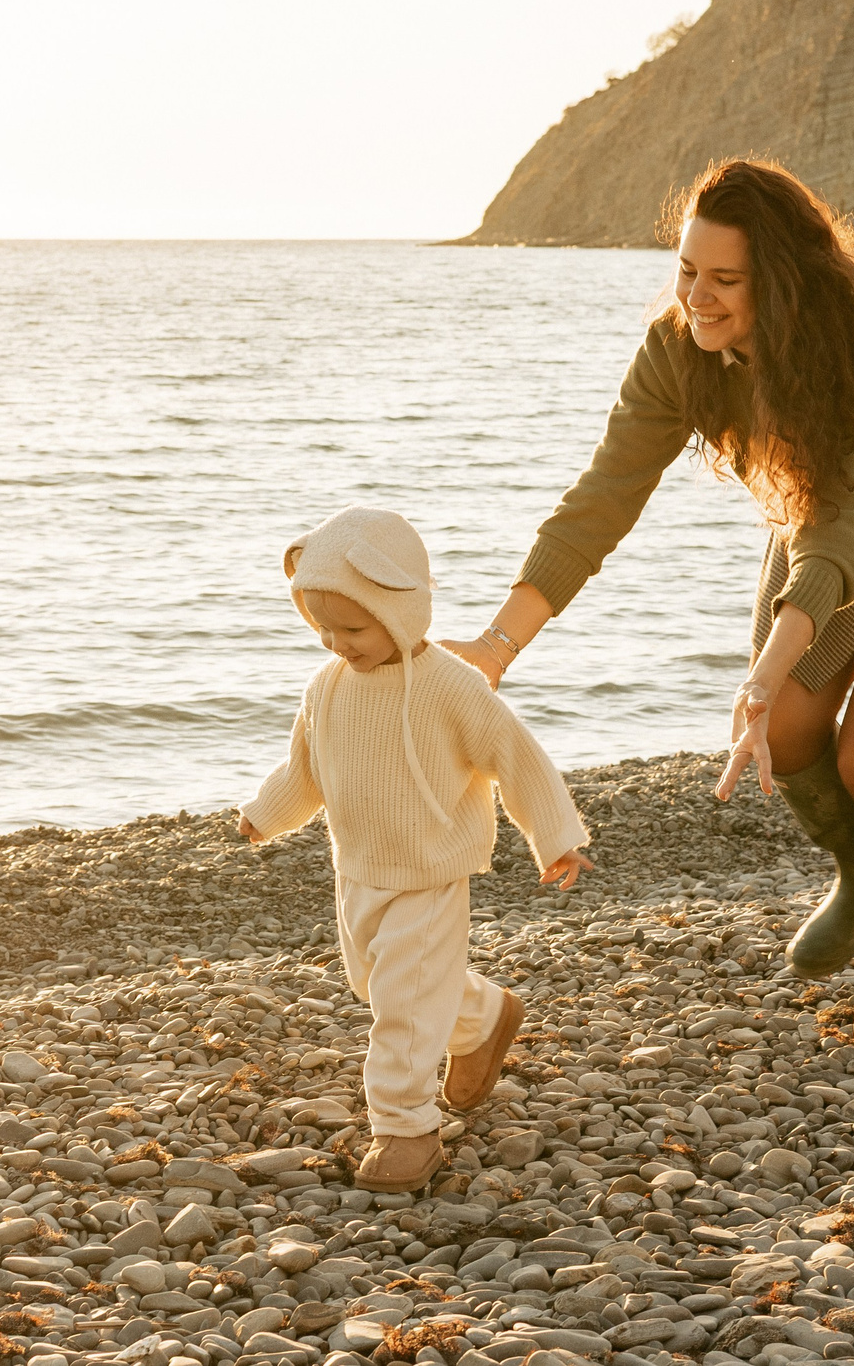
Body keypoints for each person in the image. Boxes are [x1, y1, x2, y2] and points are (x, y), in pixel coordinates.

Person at [445, 157, 854, 1047]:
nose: (697, 298)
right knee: (790, 730)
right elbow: (601, 500)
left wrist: (763, 668)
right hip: (828, 525)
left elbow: (847, 531)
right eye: (686, 271)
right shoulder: (678, 353)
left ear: (782, 281)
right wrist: (496, 646)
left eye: (725, 279)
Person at [239, 505, 595, 1193]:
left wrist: (556, 836)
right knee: (377, 984)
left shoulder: (449, 686)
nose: (336, 642)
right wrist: (264, 812)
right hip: (359, 871)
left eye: (353, 626)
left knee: (402, 1001)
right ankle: (486, 1017)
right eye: (322, 628)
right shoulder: (327, 689)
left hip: (431, 870)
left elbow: (514, 755)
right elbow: (305, 770)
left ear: (401, 608)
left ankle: (406, 1129)